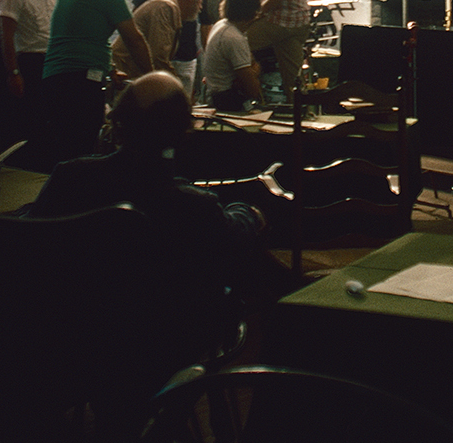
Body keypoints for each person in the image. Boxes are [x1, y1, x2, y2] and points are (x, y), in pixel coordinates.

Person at [25, 71, 285, 309]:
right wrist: (249, 212)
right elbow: (232, 238)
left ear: (118, 120)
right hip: (166, 341)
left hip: (69, 325)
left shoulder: (68, 178)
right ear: (184, 130)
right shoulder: (194, 207)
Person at [30, 0, 153, 171]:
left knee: (62, 150)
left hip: (53, 78)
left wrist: (110, 69)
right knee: (81, 151)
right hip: (79, 83)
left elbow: (83, 35)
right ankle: (78, 205)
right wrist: (153, 79)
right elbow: (134, 40)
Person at [133, 0, 213, 95]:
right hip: (154, 54)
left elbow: (206, 26)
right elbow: (137, 13)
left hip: (185, 55)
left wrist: (209, 64)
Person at [115, 0, 204, 81]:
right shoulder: (165, 8)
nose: (200, 7)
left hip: (130, 73)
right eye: (200, 1)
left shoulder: (167, 8)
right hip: (124, 73)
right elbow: (159, 57)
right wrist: (175, 85)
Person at [201, 0, 262, 111]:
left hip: (214, 96)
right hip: (228, 102)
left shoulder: (221, 25)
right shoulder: (234, 38)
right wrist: (256, 70)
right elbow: (252, 89)